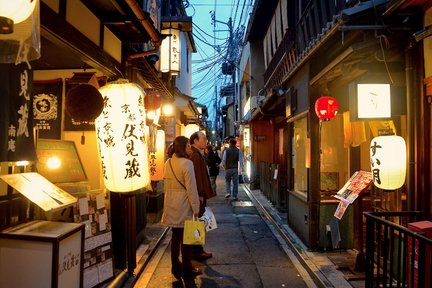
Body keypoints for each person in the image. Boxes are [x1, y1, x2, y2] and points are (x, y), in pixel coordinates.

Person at [161, 136, 202, 277]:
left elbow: (166, 187)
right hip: (184, 204)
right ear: (183, 147)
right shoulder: (187, 164)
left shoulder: (168, 163)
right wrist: (196, 208)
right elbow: (191, 189)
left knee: (175, 236)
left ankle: (175, 266)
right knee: (187, 238)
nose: (190, 148)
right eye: (188, 146)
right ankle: (187, 266)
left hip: (171, 203)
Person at [189, 131, 216, 260]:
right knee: (198, 221)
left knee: (198, 221)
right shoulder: (195, 155)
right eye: (203, 139)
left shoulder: (197, 154)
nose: (206, 141)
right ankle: (197, 250)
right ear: (195, 141)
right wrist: (200, 193)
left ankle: (197, 249)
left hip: (199, 194)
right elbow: (196, 176)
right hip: (198, 195)